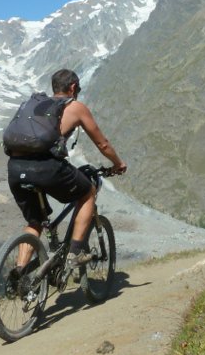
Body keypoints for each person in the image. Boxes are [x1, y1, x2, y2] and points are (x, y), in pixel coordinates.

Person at [7, 68, 127, 274]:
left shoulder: (35, 106)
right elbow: (103, 145)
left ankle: (20, 272)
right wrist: (118, 164)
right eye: (78, 88)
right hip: (45, 167)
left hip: (15, 167)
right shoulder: (75, 107)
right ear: (73, 88)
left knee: (34, 222)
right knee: (88, 193)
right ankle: (75, 253)